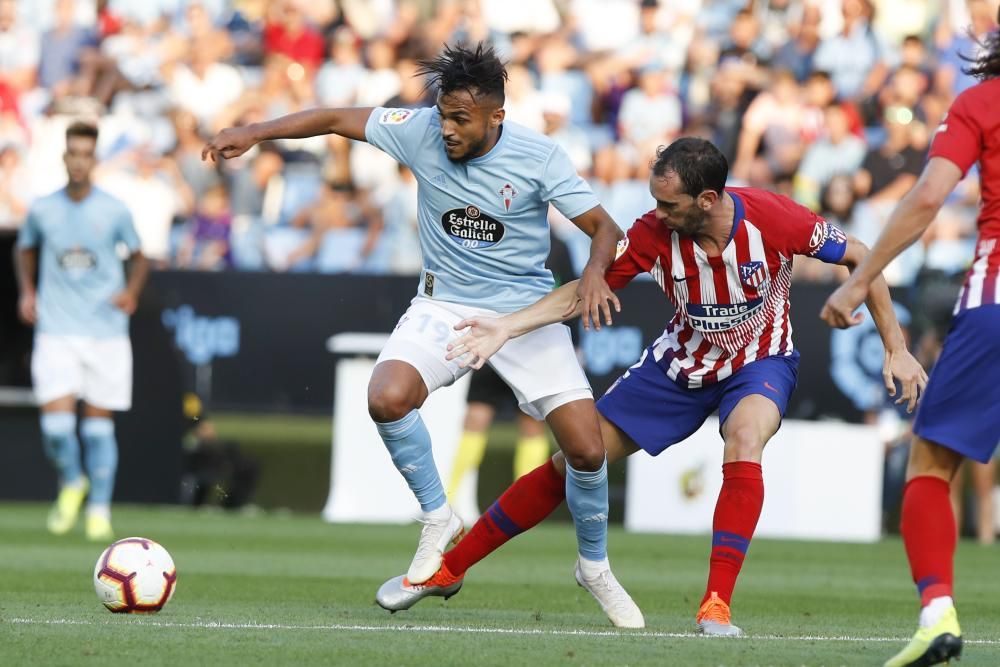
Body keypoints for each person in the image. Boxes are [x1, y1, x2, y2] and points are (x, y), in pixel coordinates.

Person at [375, 137, 925, 636]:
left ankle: (715, 604)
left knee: (745, 437)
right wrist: (505, 326)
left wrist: (896, 348)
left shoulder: (774, 219)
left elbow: (861, 256)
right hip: (678, 367)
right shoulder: (650, 235)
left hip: (761, 360)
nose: (656, 214)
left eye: (670, 205)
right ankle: (447, 570)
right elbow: (579, 292)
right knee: (576, 460)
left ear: (707, 199)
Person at [202, 43, 643, 627]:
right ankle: (439, 515)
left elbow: (604, 228)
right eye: (443, 114)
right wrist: (257, 131)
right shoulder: (417, 131)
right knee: (386, 396)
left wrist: (591, 278)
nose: (447, 129)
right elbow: (335, 118)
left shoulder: (539, 156)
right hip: (444, 303)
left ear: (496, 117)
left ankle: (594, 567)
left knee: (586, 449)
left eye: (461, 119)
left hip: (525, 313)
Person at [821, 16, 1000, 665]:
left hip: (995, 302)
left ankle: (938, 613)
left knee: (929, 463)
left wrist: (859, 279)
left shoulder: (980, 101)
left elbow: (927, 197)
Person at [14, 120, 148, 541]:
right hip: (56, 327)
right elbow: (24, 248)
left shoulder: (114, 209)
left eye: (86, 154)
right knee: (56, 428)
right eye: (73, 153)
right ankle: (73, 481)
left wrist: (130, 292)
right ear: (64, 157)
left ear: (95, 159)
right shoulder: (43, 208)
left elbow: (140, 255)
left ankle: (99, 510)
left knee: (97, 426)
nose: (78, 161)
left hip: (105, 329)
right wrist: (27, 291)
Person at [447, 233, 576, 520]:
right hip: (495, 340)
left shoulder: (557, 246)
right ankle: (451, 500)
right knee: (477, 418)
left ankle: (523, 507)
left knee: (528, 423)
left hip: (532, 341)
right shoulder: (505, 235)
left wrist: (575, 343)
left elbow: (571, 294)